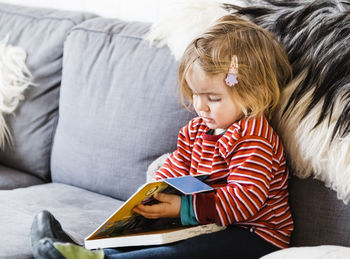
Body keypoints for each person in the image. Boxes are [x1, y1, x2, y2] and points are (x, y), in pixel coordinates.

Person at [31, 15, 293, 259]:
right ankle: (88, 249)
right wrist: (156, 190)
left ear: (254, 94)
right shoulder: (196, 131)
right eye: (194, 95)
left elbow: (245, 200)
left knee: (183, 252)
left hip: (253, 236)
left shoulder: (253, 139)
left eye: (213, 98)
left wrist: (184, 208)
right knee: (145, 232)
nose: (200, 107)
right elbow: (179, 168)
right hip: (207, 222)